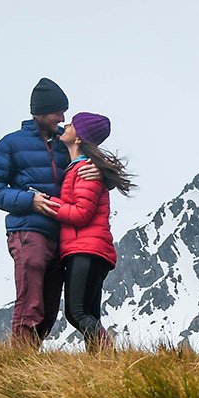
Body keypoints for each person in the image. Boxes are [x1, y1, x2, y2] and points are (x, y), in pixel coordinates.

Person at [0, 78, 99, 348]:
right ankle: (17, 367)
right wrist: (28, 200)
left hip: (62, 236)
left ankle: (29, 363)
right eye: (58, 111)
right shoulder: (11, 143)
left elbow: (98, 165)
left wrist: (99, 173)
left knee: (48, 309)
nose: (62, 117)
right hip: (28, 231)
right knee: (31, 302)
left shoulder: (65, 144)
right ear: (40, 111)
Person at [52, 111, 134, 350]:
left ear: (78, 138)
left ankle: (109, 354)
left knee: (76, 313)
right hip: (93, 250)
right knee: (89, 314)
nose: (65, 126)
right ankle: (101, 364)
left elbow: (81, 213)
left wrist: (50, 205)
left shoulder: (84, 170)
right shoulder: (83, 167)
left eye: (71, 124)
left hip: (86, 250)